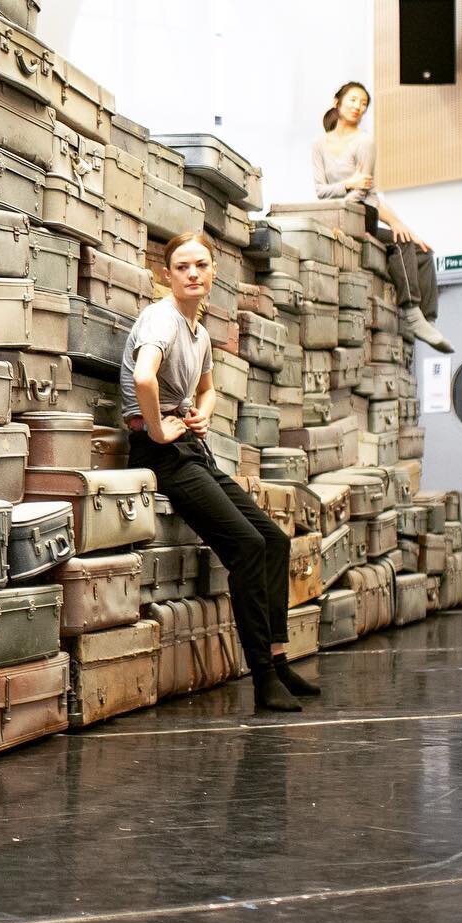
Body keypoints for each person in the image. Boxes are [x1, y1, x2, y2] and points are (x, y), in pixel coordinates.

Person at [122, 231, 315, 713]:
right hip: (160, 454)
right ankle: (263, 678)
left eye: (201, 266)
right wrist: (156, 429)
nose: (192, 274)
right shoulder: (161, 319)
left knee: (273, 540)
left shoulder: (199, 332)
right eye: (182, 266)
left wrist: (202, 412)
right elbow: (144, 376)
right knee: (246, 547)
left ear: (212, 273)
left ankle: (278, 655)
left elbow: (207, 389)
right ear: (166, 274)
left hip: (191, 449)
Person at [312, 80, 453, 352]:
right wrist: (348, 188)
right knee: (402, 243)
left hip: (363, 211)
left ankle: (428, 318)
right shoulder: (319, 145)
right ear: (337, 101)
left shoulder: (364, 142)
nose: (358, 107)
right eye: (353, 100)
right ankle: (412, 312)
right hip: (340, 214)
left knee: (422, 251)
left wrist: (399, 223)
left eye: (364, 104)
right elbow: (321, 191)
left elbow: (370, 193)